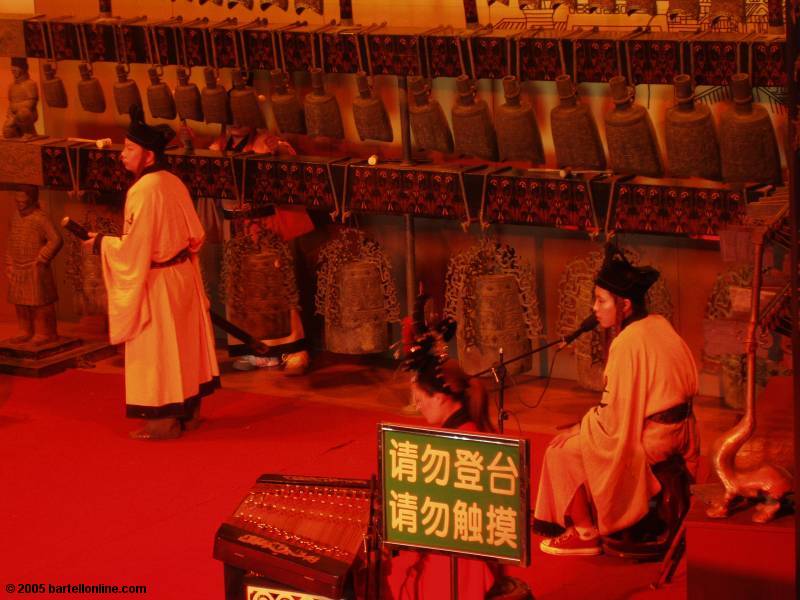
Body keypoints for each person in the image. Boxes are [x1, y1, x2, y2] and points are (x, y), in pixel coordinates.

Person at [534, 243, 699, 556]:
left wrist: (582, 428)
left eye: (601, 301)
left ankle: (584, 533)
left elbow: (615, 417)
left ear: (624, 305)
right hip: (682, 432)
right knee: (582, 435)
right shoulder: (659, 325)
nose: (595, 309)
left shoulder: (628, 343)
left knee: (560, 450)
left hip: (653, 439)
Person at [83, 105, 219, 440]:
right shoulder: (172, 182)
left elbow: (135, 249)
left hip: (158, 281)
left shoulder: (142, 192)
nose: (123, 156)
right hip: (181, 276)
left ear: (148, 155)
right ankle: (188, 414)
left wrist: (101, 243)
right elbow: (195, 234)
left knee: (158, 350)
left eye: (130, 149)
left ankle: (162, 422)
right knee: (183, 347)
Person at [384, 298, 496, 599]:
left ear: (443, 397)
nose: (418, 405)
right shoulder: (461, 432)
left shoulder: (464, 442)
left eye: (420, 397)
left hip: (460, 556)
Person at [4, 184, 62, 344]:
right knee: (20, 302)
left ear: (32, 200)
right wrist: (9, 262)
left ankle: (45, 333)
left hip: (35, 266)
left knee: (39, 303)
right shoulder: (15, 217)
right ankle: (25, 330)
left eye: (23, 201)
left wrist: (43, 257)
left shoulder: (40, 218)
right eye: (17, 201)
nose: (19, 204)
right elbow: (11, 240)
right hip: (17, 265)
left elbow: (56, 239)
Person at [3, 57, 38, 139]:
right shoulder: (11, 86)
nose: (13, 71)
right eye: (12, 70)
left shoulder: (30, 84)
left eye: (15, 69)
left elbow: (31, 103)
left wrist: (15, 107)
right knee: (7, 132)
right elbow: (10, 102)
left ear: (23, 69)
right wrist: (10, 115)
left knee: (23, 113)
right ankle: (19, 132)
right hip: (14, 115)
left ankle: (29, 132)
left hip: (28, 114)